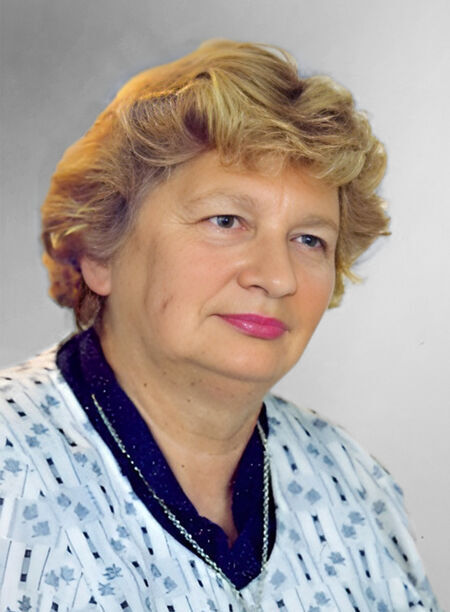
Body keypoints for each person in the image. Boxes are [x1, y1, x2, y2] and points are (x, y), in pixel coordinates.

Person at [0, 40, 440, 611]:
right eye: (226, 220)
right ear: (99, 251)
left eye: (310, 239)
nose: (277, 277)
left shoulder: (353, 483)